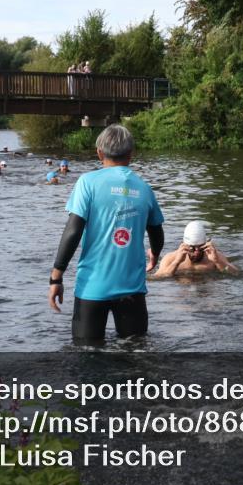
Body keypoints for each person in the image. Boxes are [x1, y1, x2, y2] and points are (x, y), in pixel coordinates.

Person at [48, 124, 165, 344]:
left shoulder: (87, 182)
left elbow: (73, 231)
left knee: (87, 354)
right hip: (132, 289)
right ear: (131, 154)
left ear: (99, 153)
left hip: (93, 288)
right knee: (135, 354)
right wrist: (155, 255)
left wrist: (56, 277)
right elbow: (157, 233)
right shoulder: (144, 188)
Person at [152, 220, 238, 277]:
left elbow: (235, 274)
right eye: (192, 248)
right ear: (184, 244)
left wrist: (217, 261)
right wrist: (176, 262)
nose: (196, 252)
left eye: (200, 248)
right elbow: (157, 278)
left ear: (206, 244)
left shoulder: (214, 256)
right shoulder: (171, 258)